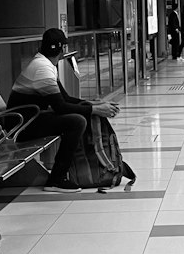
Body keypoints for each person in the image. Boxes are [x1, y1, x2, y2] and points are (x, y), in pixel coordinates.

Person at [6, 28, 118, 190]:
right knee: (76, 121)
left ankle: (65, 172)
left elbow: (65, 99)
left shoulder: (43, 63)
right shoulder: (43, 68)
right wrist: (95, 110)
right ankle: (56, 179)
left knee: (76, 117)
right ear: (63, 49)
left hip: (26, 120)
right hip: (20, 127)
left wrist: (92, 103)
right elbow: (61, 107)